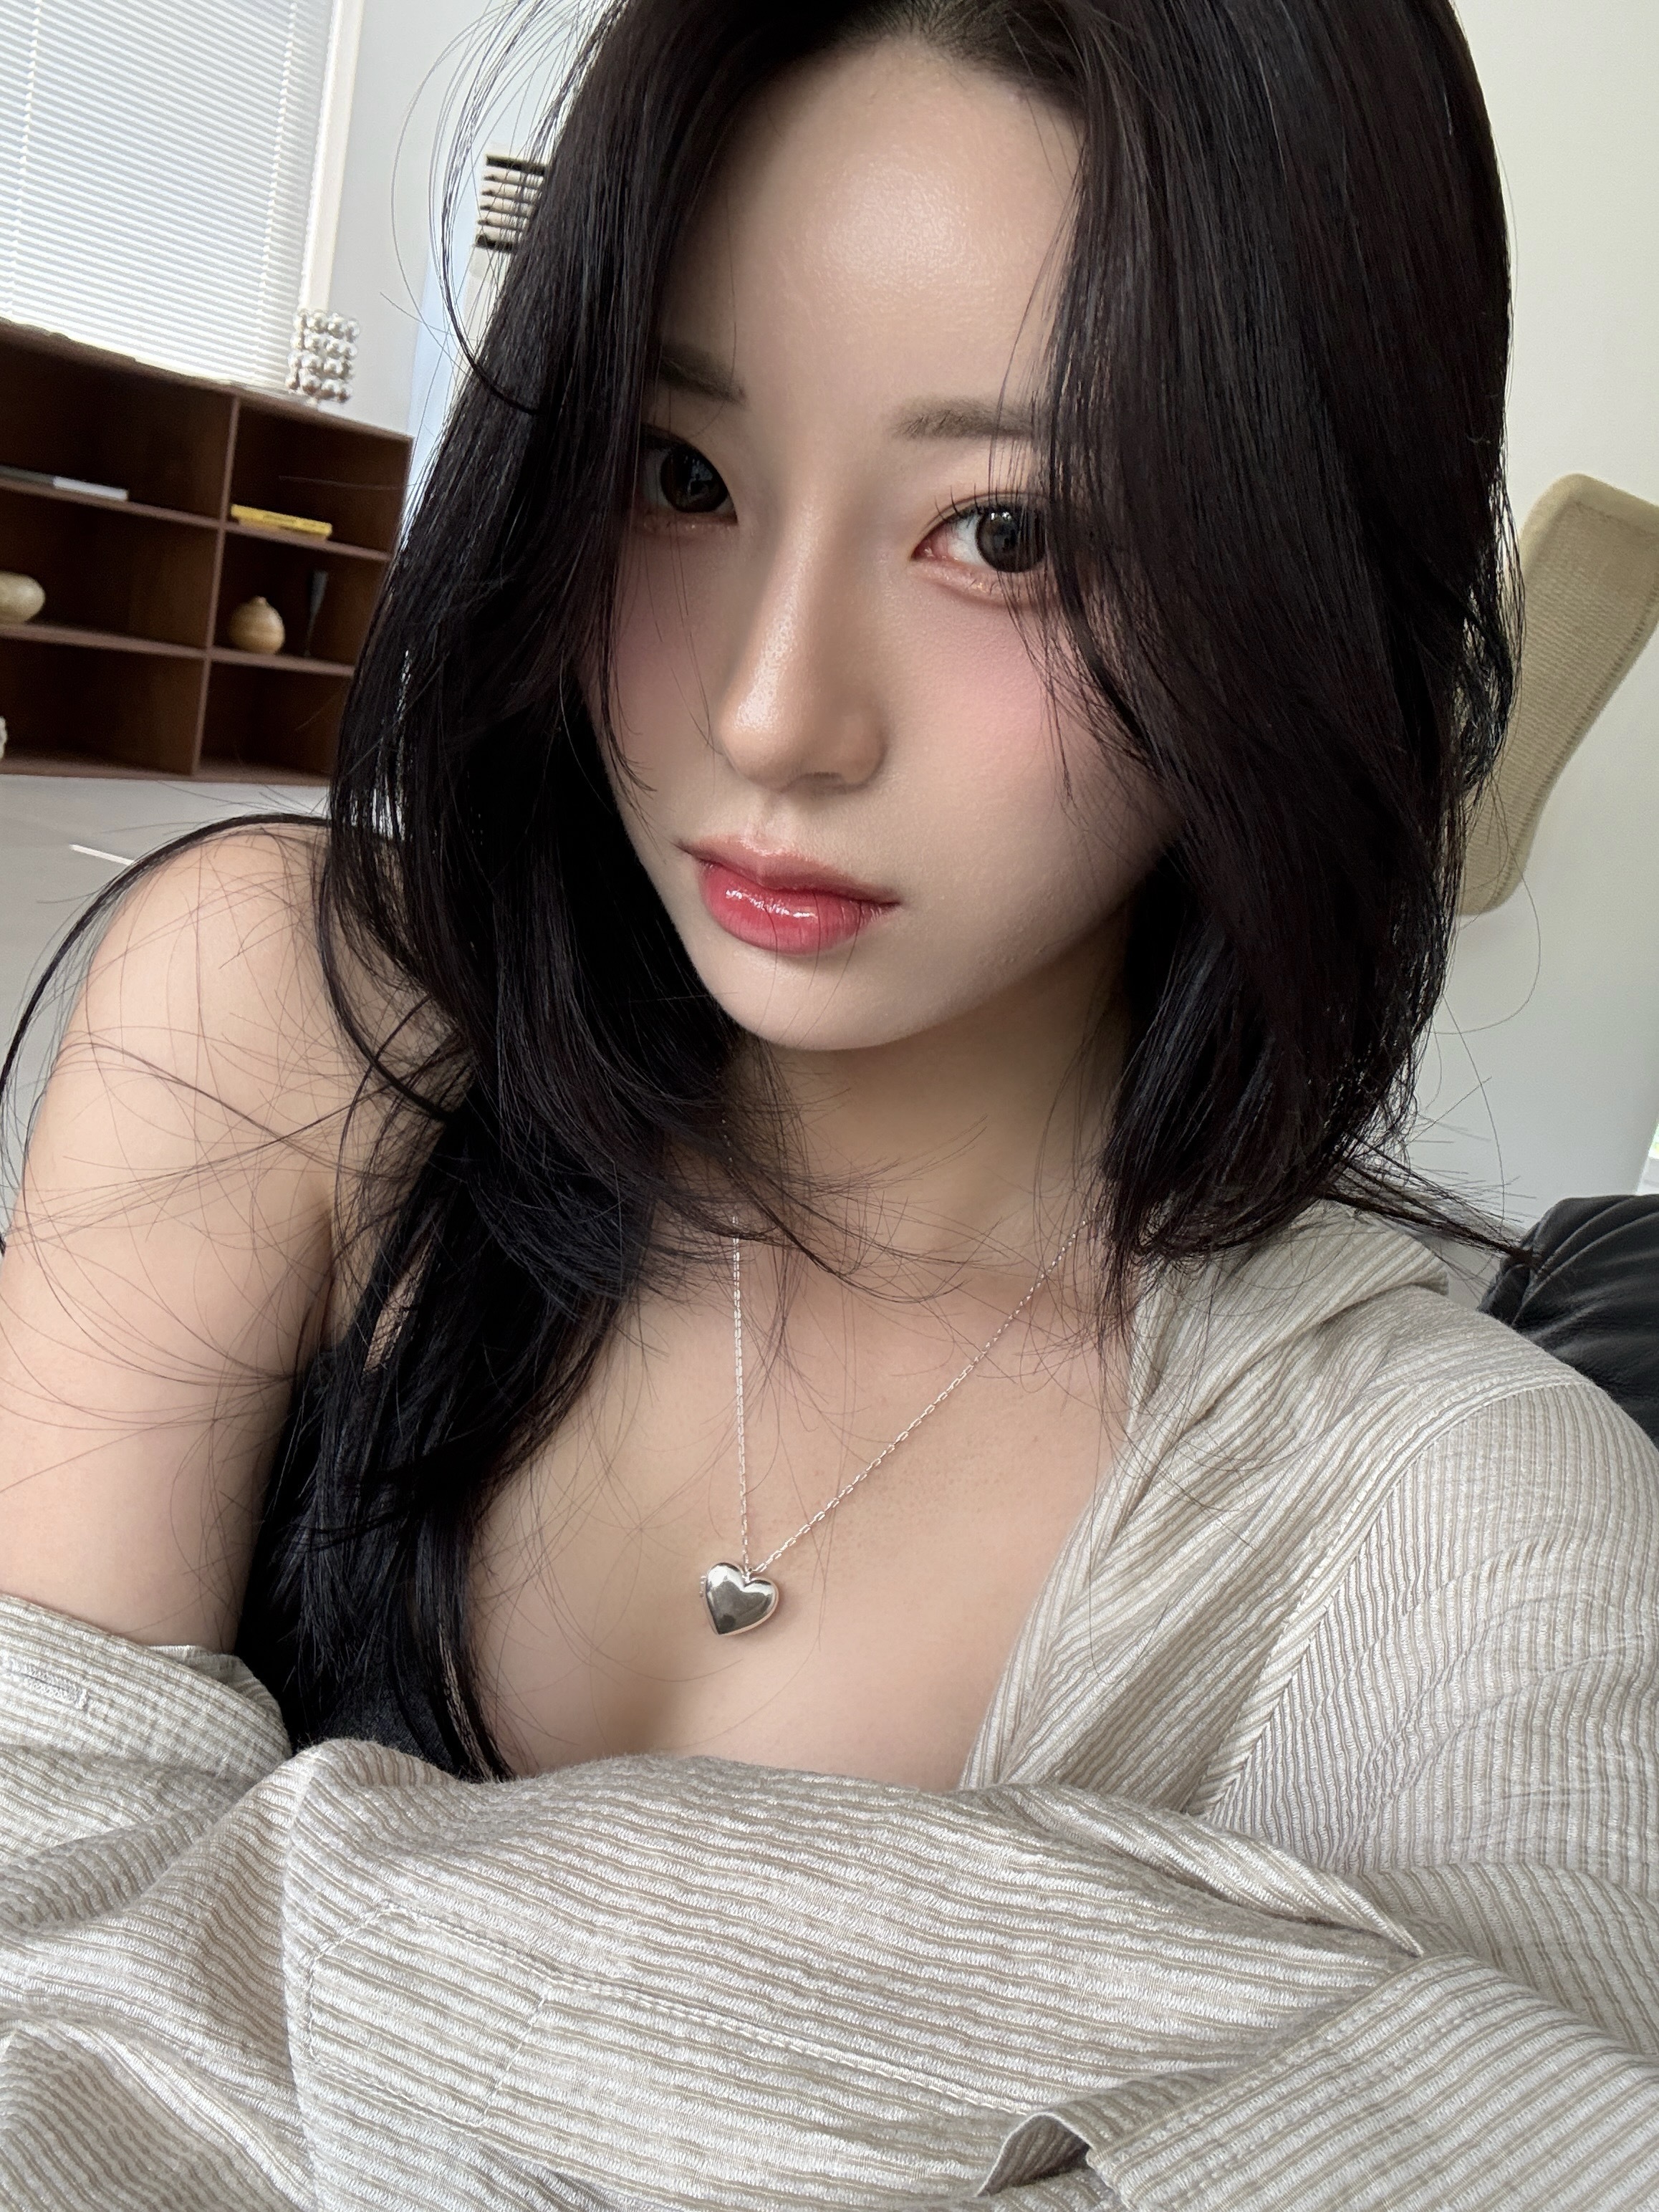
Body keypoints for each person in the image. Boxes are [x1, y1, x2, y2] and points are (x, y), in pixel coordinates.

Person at [0, 1, 1654, 2206]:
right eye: (678, 476)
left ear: (1304, 581)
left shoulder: (1454, 1507)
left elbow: (1543, 2129)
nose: (772, 715)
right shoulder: (277, 1032)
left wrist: (248, 1925)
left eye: (1010, 532)